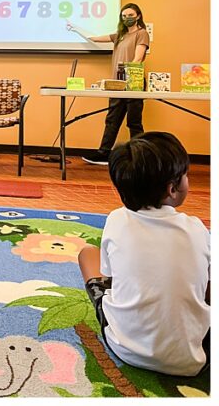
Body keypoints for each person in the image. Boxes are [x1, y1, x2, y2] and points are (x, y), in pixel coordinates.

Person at [78, 132, 209, 376]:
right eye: (186, 176)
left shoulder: (116, 220)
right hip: (193, 358)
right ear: (172, 189)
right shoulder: (197, 229)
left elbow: (110, 279)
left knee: (87, 254)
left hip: (124, 348)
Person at [67, 3, 150, 165]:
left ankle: (140, 157)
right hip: (117, 83)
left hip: (134, 82)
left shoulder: (142, 34)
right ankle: (104, 153)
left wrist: (128, 76)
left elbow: (138, 58)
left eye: (130, 15)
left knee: (133, 121)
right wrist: (76, 28)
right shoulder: (120, 35)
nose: (127, 18)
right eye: (124, 16)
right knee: (112, 119)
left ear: (138, 16)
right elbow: (95, 38)